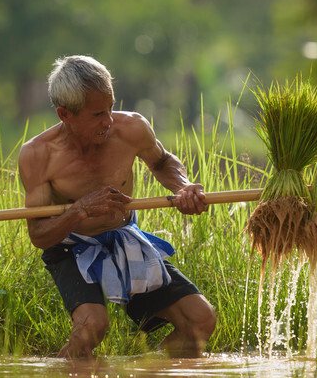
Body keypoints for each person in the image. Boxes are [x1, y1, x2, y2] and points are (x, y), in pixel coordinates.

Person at [18, 55, 217, 359]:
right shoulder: (37, 155)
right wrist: (79, 210)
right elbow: (40, 235)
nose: (109, 120)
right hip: (71, 245)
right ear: (65, 114)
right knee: (92, 327)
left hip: (124, 237)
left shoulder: (132, 127)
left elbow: (163, 161)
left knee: (200, 320)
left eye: (111, 107)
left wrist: (183, 187)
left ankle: (144, 375)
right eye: (98, 114)